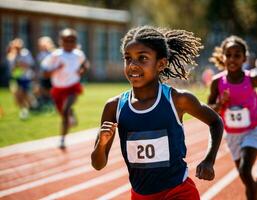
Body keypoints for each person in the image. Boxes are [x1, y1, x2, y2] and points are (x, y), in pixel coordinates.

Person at [91, 26, 224, 200]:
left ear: (161, 64)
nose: (133, 65)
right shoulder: (114, 107)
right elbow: (98, 164)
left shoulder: (177, 100)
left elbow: (215, 122)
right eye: (128, 58)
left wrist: (209, 159)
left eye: (142, 58)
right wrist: (101, 144)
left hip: (178, 192)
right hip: (140, 196)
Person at [208, 35, 257, 200]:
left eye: (237, 55)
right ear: (223, 57)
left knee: (244, 170)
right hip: (232, 135)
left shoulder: (251, 79)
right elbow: (210, 110)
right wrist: (220, 103)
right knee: (246, 178)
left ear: (244, 58)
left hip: (253, 130)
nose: (232, 59)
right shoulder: (217, 82)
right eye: (228, 55)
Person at [41, 28, 89, 149]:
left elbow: (86, 64)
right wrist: (57, 68)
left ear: (75, 42)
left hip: (72, 86)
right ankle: (70, 114)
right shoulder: (55, 55)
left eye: (72, 41)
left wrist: (82, 70)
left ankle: (62, 139)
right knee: (63, 113)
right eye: (66, 40)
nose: (69, 43)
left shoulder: (78, 54)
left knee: (66, 109)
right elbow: (44, 73)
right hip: (58, 89)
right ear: (60, 41)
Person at [6, 38, 35, 120]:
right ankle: (24, 108)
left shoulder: (25, 54)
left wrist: (21, 64)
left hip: (25, 77)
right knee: (17, 96)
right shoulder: (11, 56)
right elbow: (12, 69)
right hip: (16, 77)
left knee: (24, 94)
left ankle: (27, 108)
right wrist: (17, 66)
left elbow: (29, 64)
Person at [36, 36, 56, 109]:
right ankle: (47, 103)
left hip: (52, 75)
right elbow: (39, 66)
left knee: (52, 90)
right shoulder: (40, 54)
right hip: (44, 75)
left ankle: (52, 103)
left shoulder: (53, 53)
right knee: (43, 90)